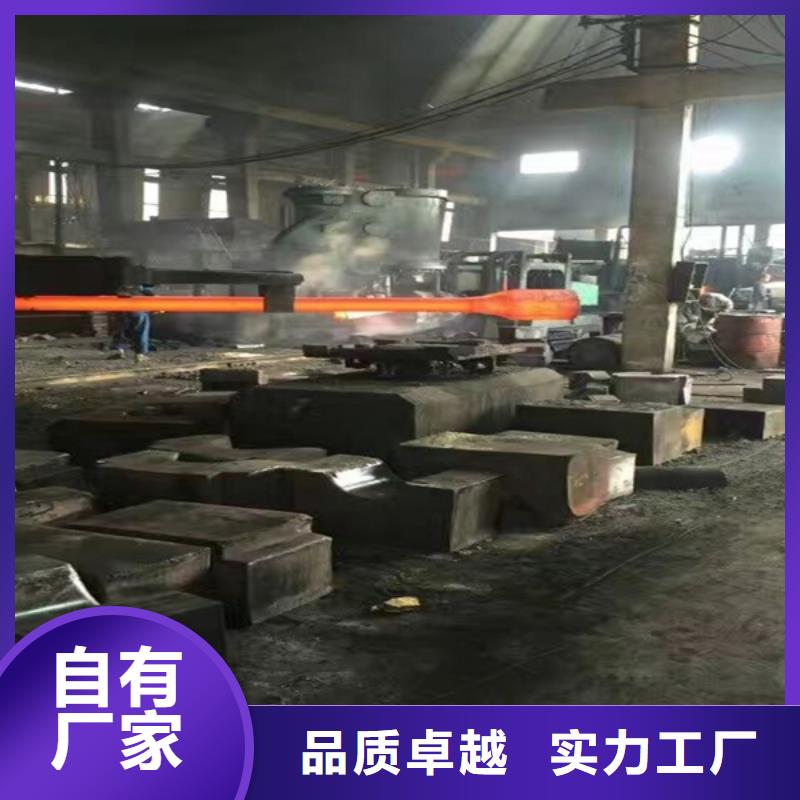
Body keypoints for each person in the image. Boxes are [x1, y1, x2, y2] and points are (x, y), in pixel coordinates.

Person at [109, 284, 154, 363]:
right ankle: (139, 355)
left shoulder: (123, 288)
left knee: (121, 330)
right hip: (138, 309)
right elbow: (151, 296)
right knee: (140, 331)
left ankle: (120, 351)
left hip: (122, 310)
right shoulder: (141, 288)